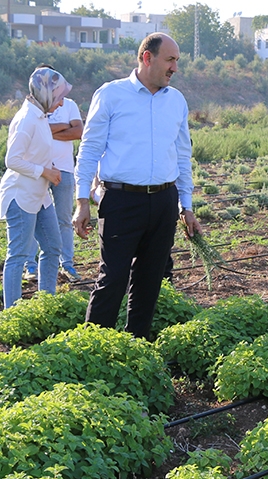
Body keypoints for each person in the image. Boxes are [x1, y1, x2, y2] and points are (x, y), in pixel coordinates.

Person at [73, 33, 201, 339]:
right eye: (170, 60)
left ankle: (136, 346)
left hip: (164, 200)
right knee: (113, 279)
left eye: (176, 61)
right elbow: (89, 149)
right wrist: (81, 202)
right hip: (121, 200)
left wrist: (186, 206)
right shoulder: (111, 94)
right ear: (147, 57)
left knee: (150, 281)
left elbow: (182, 155)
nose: (175, 68)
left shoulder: (176, 101)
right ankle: (93, 348)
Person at [0, 67, 72, 307]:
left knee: (52, 246)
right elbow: (12, 160)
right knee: (18, 255)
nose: (61, 103)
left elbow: (35, 153)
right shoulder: (26, 119)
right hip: (20, 194)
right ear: (46, 94)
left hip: (40, 195)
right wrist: (45, 172)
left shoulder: (40, 116)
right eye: (59, 97)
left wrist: (50, 167)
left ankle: (45, 304)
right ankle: (12, 314)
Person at [42, 64, 85, 283]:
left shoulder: (69, 104)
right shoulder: (34, 107)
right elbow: (34, 132)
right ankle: (31, 266)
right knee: (36, 218)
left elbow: (78, 131)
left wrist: (47, 130)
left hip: (65, 169)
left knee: (64, 219)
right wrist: (62, 126)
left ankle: (67, 263)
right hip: (40, 169)